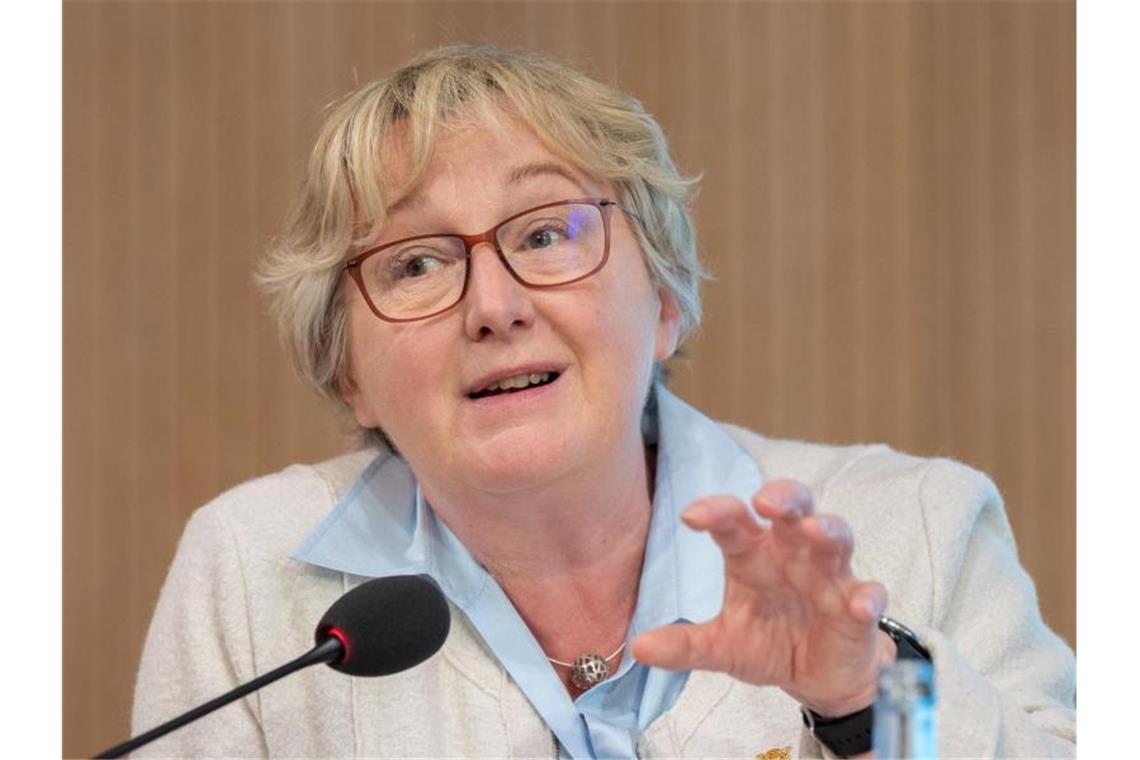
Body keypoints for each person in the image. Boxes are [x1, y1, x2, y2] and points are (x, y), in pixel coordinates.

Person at [132, 44, 1076, 758]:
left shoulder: (912, 524)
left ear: (663, 299)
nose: (493, 308)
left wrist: (871, 696)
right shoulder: (254, 575)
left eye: (545, 234)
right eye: (416, 263)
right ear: (348, 371)